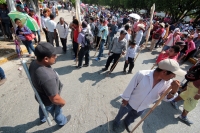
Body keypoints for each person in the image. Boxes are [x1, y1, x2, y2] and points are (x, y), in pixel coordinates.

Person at [112, 59, 185, 132]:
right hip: (130, 102)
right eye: (173, 74)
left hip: (144, 106)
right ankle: (116, 122)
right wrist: (125, 99)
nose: (174, 76)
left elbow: (164, 98)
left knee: (133, 116)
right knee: (121, 113)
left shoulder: (168, 83)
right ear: (164, 72)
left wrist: (173, 91)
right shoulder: (142, 74)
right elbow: (130, 88)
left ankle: (127, 121)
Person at [29, 42, 71, 126]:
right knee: (57, 112)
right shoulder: (48, 77)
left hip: (40, 96)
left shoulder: (34, 63)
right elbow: (54, 99)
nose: (56, 56)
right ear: (46, 59)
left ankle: (43, 118)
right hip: (49, 101)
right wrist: (62, 103)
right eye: (54, 55)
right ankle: (62, 121)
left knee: (42, 106)